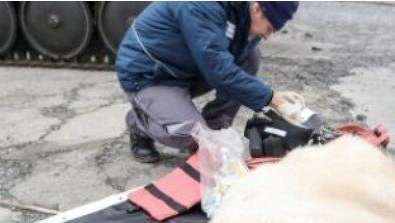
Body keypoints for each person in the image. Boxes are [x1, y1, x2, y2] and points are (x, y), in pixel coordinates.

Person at [115, 1, 301, 163]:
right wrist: (272, 98)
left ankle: (215, 127)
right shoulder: (201, 5)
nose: (268, 36)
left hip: (186, 69)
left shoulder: (242, 12)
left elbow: (227, 65)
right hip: (150, 75)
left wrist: (273, 96)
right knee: (190, 136)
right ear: (257, 9)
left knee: (250, 57)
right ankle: (139, 124)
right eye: (269, 28)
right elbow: (219, 70)